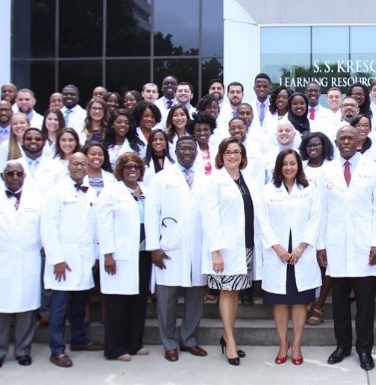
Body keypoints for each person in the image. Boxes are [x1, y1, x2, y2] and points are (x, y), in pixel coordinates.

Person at [317, 125, 376, 370]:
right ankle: (343, 345)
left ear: (359, 141)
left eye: (351, 138)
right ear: (336, 143)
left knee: (365, 306)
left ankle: (365, 349)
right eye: (342, 138)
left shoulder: (373, 169)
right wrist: (320, 245)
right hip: (336, 246)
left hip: (365, 248)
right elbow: (321, 211)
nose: (346, 141)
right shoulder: (327, 171)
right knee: (339, 303)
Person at [146, 137, 211, 362]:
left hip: (197, 246)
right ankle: (169, 343)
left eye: (191, 148)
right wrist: (153, 246)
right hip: (169, 247)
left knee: (195, 297)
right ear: (175, 150)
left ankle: (189, 340)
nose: (186, 152)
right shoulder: (162, 177)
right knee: (167, 299)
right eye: (182, 148)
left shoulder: (206, 178)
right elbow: (152, 213)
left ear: (196, 151)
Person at [256, 148, 322, 365]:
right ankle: (283, 343)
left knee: (300, 301)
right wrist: (278, 249)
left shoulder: (310, 189)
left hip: (301, 253)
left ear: (298, 166)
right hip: (279, 254)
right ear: (278, 167)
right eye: (284, 164)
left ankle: (298, 344)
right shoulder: (268, 190)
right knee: (280, 302)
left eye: (292, 163)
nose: (288, 167)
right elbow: (262, 222)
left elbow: (316, 219)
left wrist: (301, 248)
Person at [200, 137, 257, 365]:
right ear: (221, 156)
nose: (233, 155)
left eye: (237, 151)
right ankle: (230, 341)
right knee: (226, 291)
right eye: (228, 152)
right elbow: (209, 218)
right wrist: (215, 251)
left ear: (242, 156)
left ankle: (227, 336)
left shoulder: (248, 180)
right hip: (225, 248)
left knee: (235, 292)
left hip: (245, 245)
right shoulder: (214, 181)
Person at [40, 151, 100, 366]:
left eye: (83, 164)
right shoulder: (55, 192)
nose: (80, 167)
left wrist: (94, 257)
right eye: (75, 163)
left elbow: (94, 228)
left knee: (79, 306)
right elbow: (48, 228)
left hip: (84, 259)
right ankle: (56, 349)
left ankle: (79, 339)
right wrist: (57, 259)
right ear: (68, 166)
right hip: (63, 261)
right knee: (58, 308)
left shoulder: (92, 193)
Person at [96, 151, 150, 362]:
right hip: (119, 256)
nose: (132, 170)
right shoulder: (111, 193)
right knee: (117, 303)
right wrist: (108, 254)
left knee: (138, 301)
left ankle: (135, 344)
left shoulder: (145, 191)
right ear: (120, 170)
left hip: (142, 254)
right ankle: (115, 348)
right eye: (128, 167)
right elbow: (103, 225)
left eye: (136, 167)